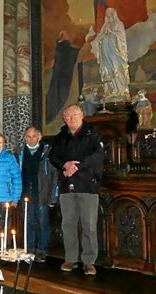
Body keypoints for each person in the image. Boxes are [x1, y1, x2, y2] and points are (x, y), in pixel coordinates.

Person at [49, 104, 104, 276]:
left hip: (87, 185)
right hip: (66, 186)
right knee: (68, 224)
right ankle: (70, 259)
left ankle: (89, 261)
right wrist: (65, 164)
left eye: (74, 115)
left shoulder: (92, 133)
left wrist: (76, 166)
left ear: (82, 115)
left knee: (89, 225)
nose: (70, 119)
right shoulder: (60, 136)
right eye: (67, 116)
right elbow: (53, 156)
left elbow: (97, 156)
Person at [16, 127, 58, 263]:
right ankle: (29, 249)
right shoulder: (19, 153)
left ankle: (41, 250)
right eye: (28, 136)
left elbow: (54, 176)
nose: (31, 139)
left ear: (39, 137)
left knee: (42, 223)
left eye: (34, 136)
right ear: (24, 138)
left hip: (42, 194)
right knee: (28, 223)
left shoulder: (48, 152)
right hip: (25, 194)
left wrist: (53, 196)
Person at [90, 8, 130, 102]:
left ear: (114, 14)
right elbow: (100, 38)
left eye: (110, 14)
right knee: (108, 71)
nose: (108, 17)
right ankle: (111, 91)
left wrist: (111, 32)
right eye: (107, 15)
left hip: (115, 53)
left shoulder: (118, 24)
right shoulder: (105, 26)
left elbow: (121, 37)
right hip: (106, 53)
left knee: (117, 70)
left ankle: (121, 90)